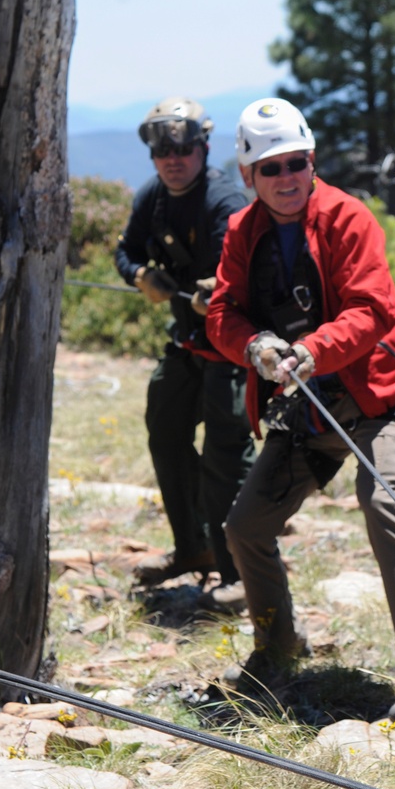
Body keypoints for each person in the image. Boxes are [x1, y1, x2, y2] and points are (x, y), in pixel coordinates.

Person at [206, 97, 395, 727]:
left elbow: (373, 311)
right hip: (307, 407)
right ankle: (276, 646)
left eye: (296, 162)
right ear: (248, 177)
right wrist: (256, 346)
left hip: (376, 399)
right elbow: (221, 314)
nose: (287, 177)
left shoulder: (348, 217)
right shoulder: (243, 233)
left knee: (387, 506)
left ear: (312, 160)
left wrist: (308, 352)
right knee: (246, 525)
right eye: (271, 168)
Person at [115, 97, 255, 602]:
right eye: (162, 150)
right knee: (165, 434)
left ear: (202, 148)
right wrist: (139, 275)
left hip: (228, 351)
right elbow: (125, 250)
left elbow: (235, 275)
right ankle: (192, 547)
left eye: (183, 147)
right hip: (187, 345)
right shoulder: (153, 197)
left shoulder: (223, 201)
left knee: (226, 456)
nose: (172, 158)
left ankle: (239, 572)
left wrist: (215, 293)